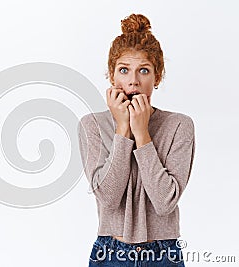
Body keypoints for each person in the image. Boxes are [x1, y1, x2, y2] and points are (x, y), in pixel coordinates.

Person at [77, 14, 195, 266]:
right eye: (124, 70)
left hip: (163, 254)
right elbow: (108, 200)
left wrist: (142, 135)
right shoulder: (92, 126)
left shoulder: (179, 126)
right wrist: (123, 129)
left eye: (144, 70)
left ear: (157, 77)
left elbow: (165, 202)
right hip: (110, 253)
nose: (133, 81)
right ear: (112, 76)